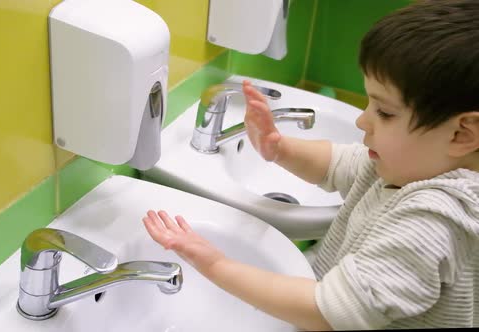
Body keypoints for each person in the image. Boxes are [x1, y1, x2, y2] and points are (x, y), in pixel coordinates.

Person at [143, 0, 479, 329]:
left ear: (462, 134)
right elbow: (340, 164)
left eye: (386, 113)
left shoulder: (434, 219)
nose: (363, 121)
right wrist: (279, 149)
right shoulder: (417, 165)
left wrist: (214, 263)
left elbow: (330, 314)